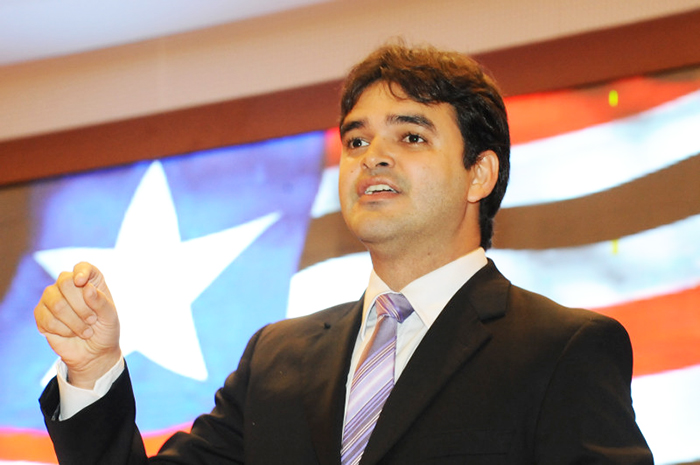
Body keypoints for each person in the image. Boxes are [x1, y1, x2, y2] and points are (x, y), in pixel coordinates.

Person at [35, 43, 653, 464]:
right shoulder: (274, 360)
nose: (372, 156)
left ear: (479, 174)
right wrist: (93, 372)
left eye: (411, 136)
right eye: (356, 140)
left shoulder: (562, 350)